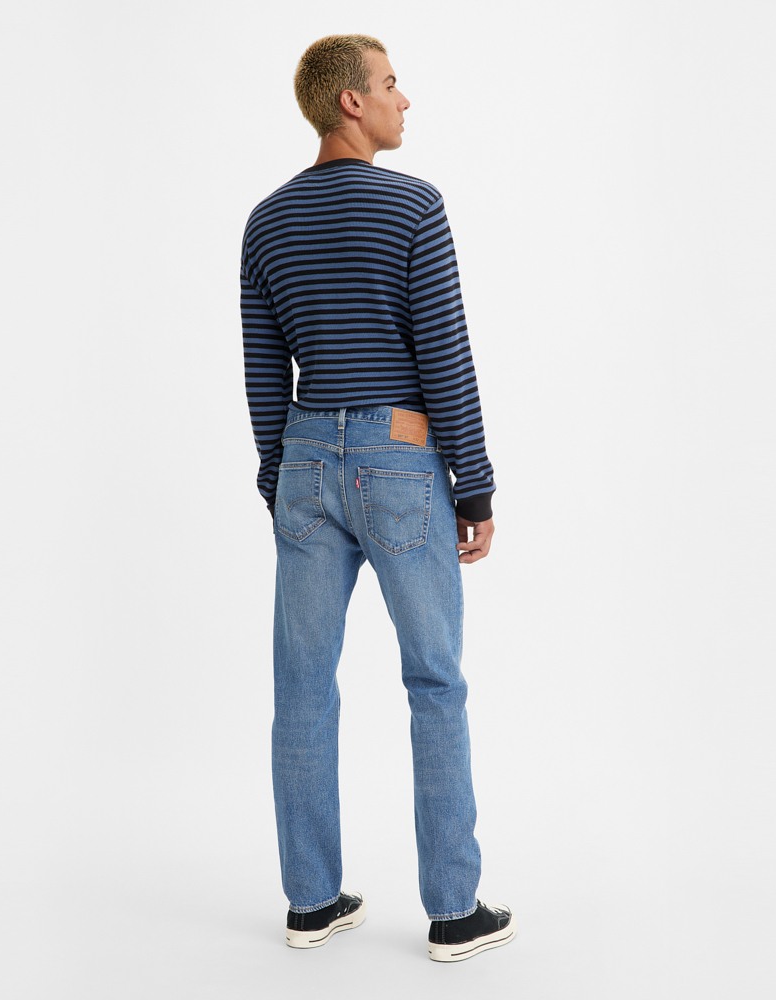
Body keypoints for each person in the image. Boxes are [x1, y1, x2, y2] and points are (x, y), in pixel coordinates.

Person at [239, 33, 515, 963]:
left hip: (305, 456)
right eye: (391, 83)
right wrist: (473, 484)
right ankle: (454, 913)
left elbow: (263, 370)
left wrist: (280, 478)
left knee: (301, 686)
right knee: (434, 679)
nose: (405, 98)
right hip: (399, 459)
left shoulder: (266, 221)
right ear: (350, 102)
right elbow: (444, 354)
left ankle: (311, 902)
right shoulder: (412, 205)